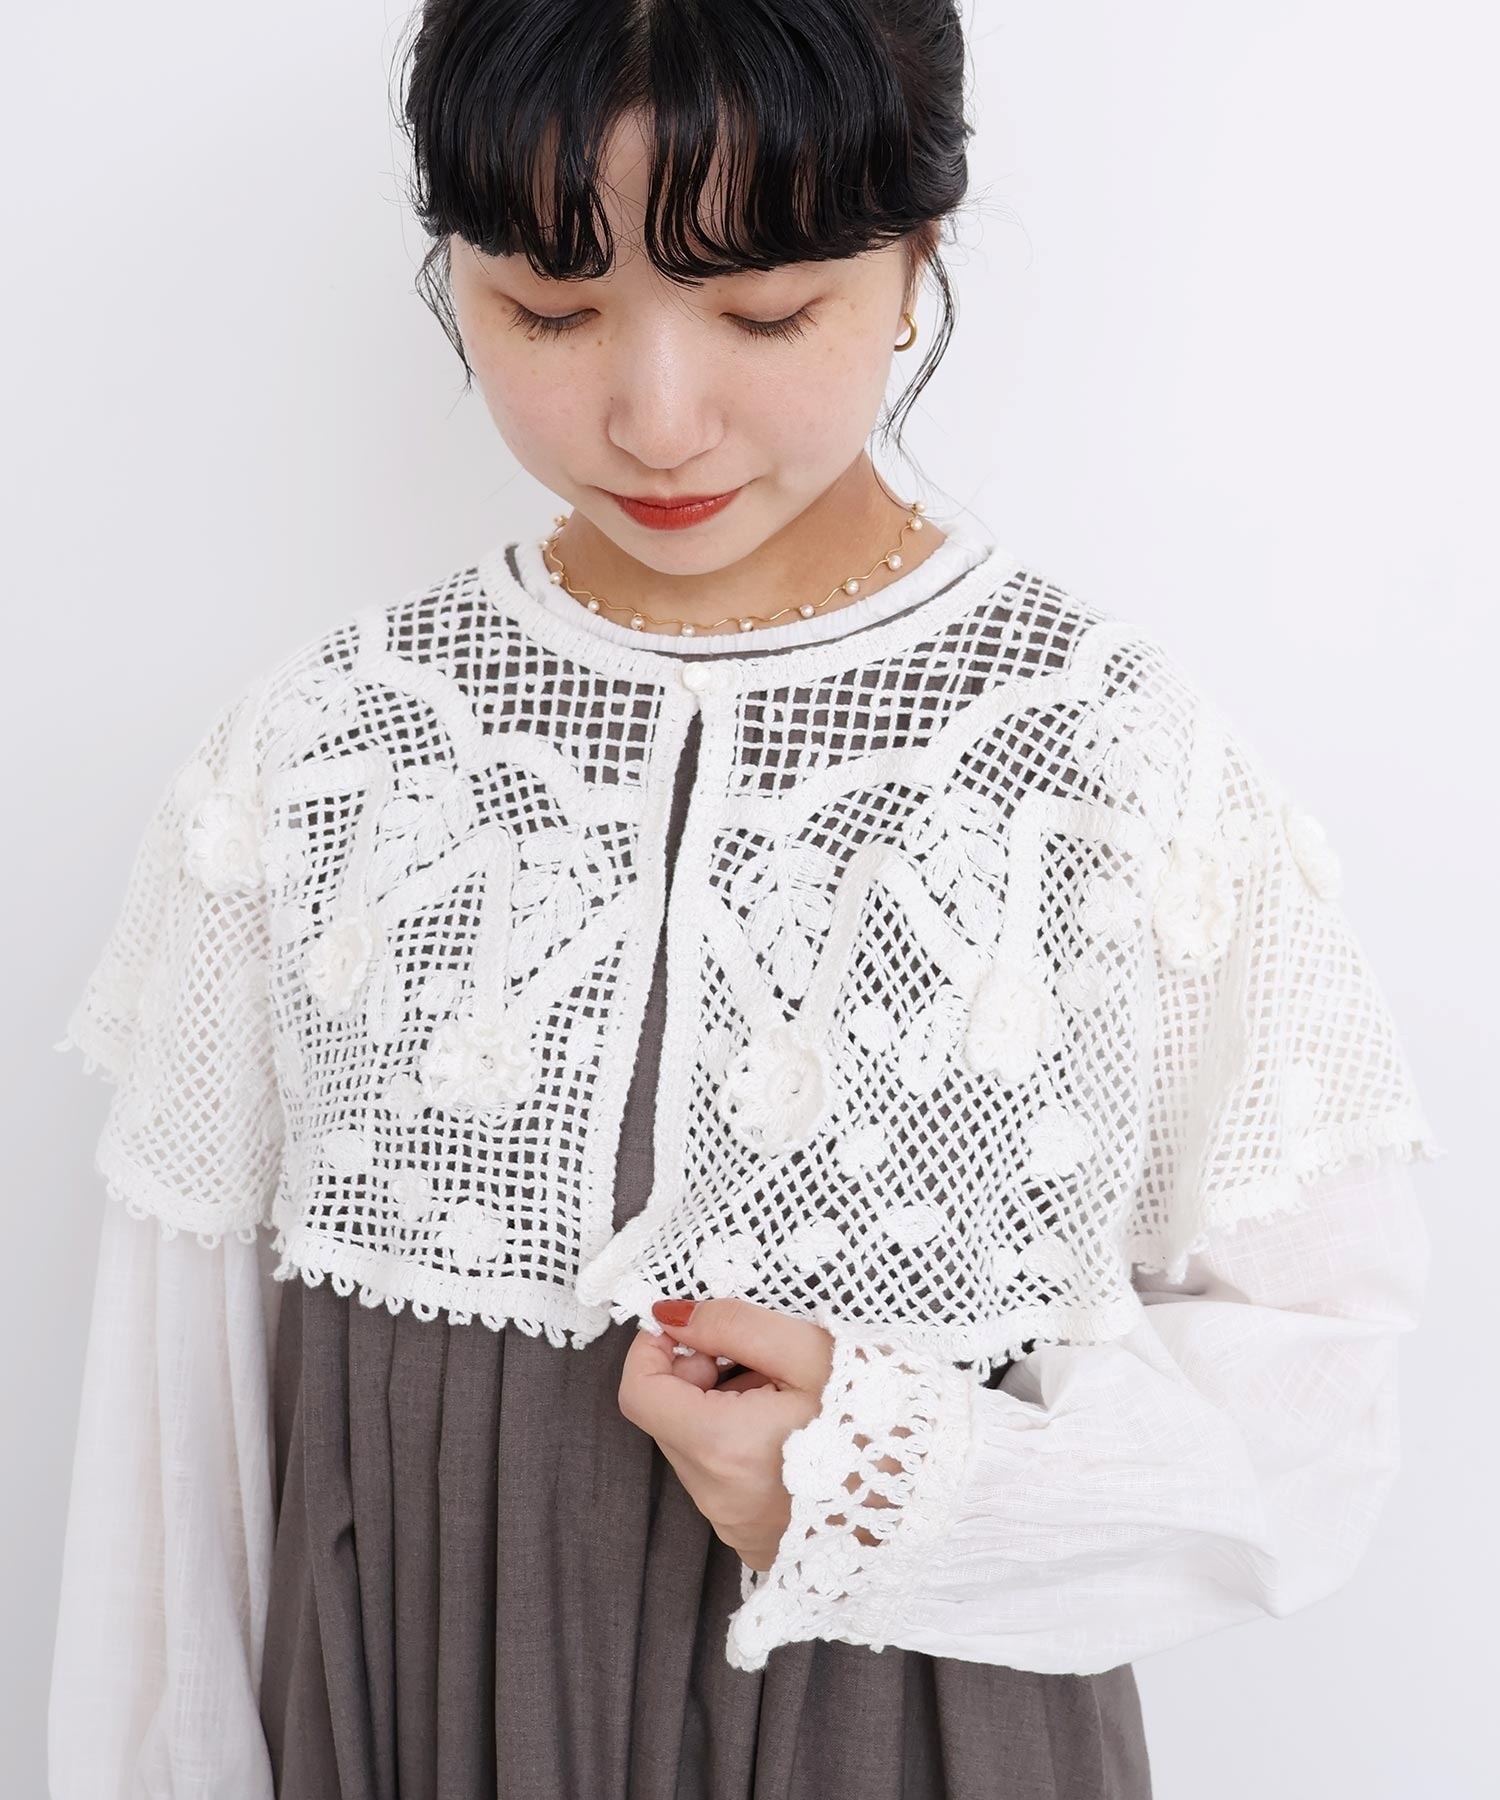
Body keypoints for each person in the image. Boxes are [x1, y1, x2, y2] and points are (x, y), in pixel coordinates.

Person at [48, 4, 1443, 1796]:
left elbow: (1316, 1391)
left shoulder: (1107, 764)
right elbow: (173, 1465)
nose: (656, 417)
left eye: (765, 312)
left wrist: (888, 1482)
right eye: (547, 311)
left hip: (914, 1730)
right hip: (421, 1721)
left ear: (917, 255)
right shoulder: (325, 758)